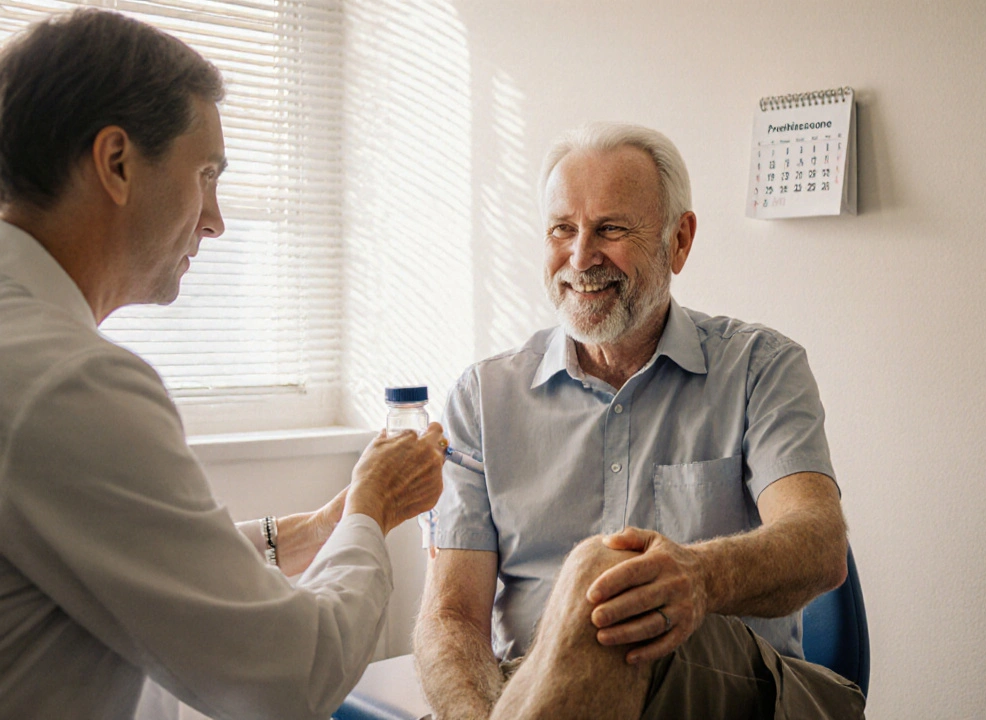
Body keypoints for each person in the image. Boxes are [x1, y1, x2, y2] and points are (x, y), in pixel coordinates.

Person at [0, 10, 446, 719]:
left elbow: (127, 550)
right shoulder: (69, 380)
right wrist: (372, 509)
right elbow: (290, 679)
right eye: (205, 174)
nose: (215, 220)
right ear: (115, 162)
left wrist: (321, 527)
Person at [413, 122, 865, 719]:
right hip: (537, 693)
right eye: (562, 230)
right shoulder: (481, 398)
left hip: (736, 689)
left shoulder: (762, 367)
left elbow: (820, 544)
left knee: (613, 585)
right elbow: (450, 615)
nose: (580, 257)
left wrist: (698, 577)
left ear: (679, 240)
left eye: (611, 229)